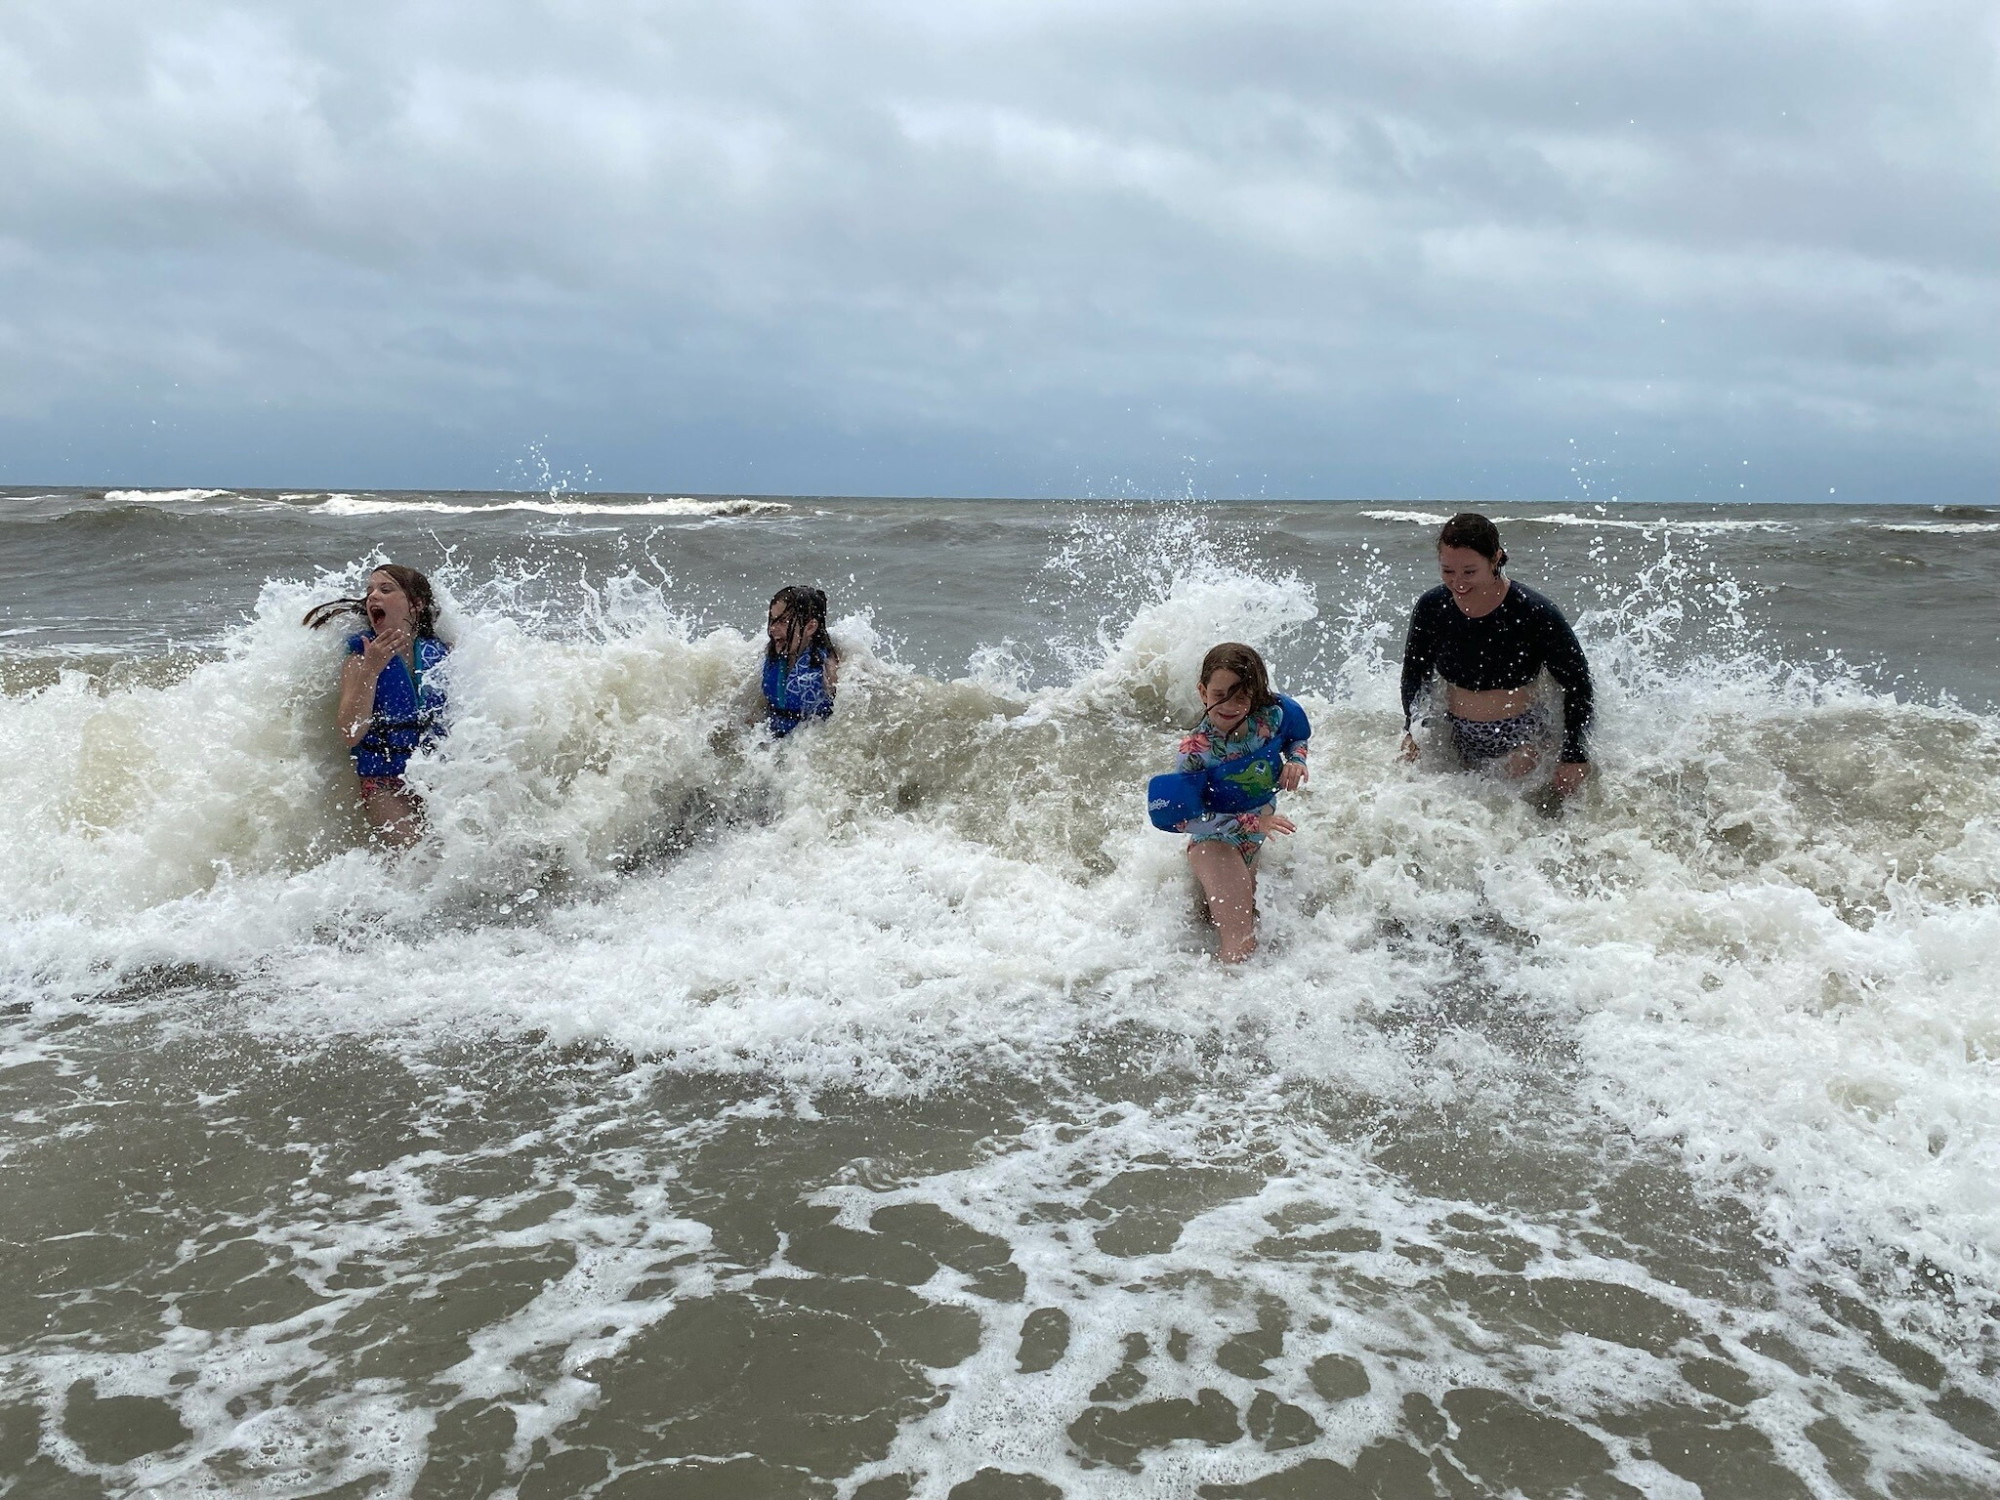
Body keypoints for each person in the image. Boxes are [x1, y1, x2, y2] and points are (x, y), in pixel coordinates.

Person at [1398, 513, 1593, 796]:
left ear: (1495, 560)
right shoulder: (1432, 608)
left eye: (1469, 572)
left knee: (1509, 808)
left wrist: (1574, 753)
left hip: (1522, 735)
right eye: (1448, 571)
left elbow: (1577, 683)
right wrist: (1412, 729)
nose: (1458, 583)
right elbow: (1415, 673)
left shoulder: (1534, 612)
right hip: (1456, 732)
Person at [1152, 643, 1310, 963]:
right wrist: (1255, 823)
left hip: (1253, 843)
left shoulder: (1270, 718)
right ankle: (1217, 1009)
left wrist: (1296, 759)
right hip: (1214, 843)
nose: (1230, 705)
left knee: (1218, 924)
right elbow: (1184, 820)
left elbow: (1298, 735)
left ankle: (1189, 984)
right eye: (1220, 694)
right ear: (1202, 691)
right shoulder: (1194, 751)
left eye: (1241, 696)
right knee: (1241, 944)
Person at [304, 565, 450, 846]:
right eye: (369, 590)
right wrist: (371, 670)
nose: (372, 597)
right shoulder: (360, 658)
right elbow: (350, 732)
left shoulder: (442, 653)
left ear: (416, 605)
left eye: (385, 589)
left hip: (437, 775)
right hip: (384, 781)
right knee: (415, 858)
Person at [761, 585, 840, 737]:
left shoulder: (828, 669)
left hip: (806, 748)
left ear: (810, 627)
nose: (772, 628)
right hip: (771, 743)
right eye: (772, 620)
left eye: (783, 621)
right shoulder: (771, 656)